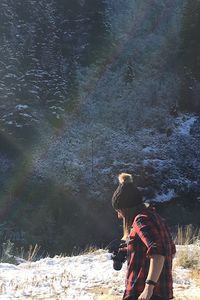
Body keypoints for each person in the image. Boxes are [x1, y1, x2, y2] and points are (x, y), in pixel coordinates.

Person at [111, 173, 176, 300]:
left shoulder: (141, 220)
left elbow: (159, 253)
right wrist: (125, 252)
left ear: (127, 209)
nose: (119, 216)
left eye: (119, 211)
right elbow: (171, 250)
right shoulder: (154, 217)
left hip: (145, 293)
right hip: (159, 292)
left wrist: (148, 288)